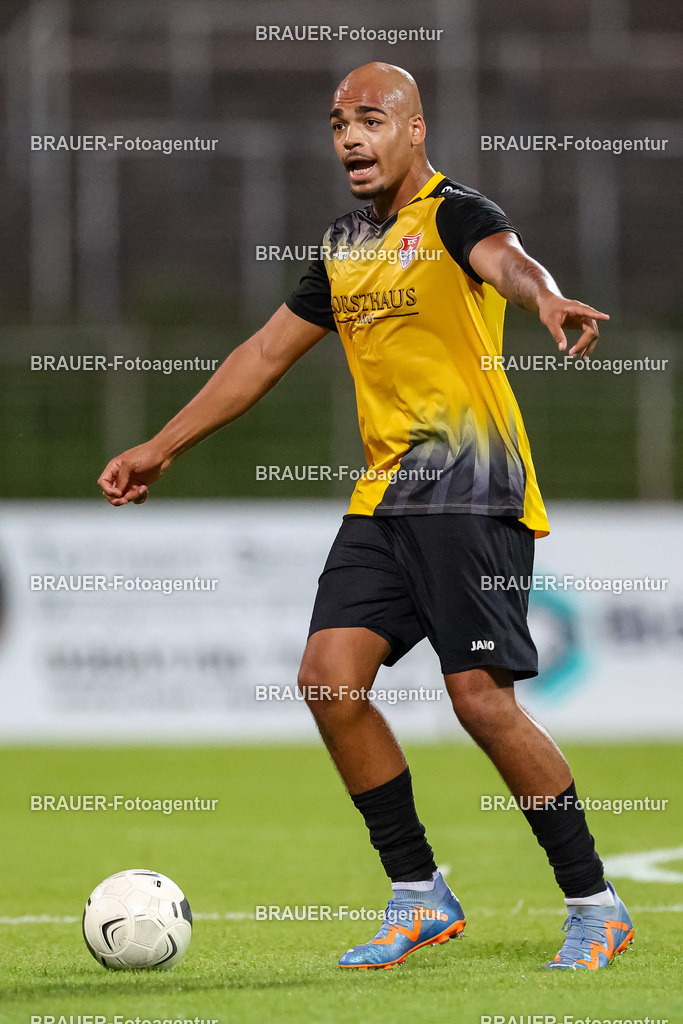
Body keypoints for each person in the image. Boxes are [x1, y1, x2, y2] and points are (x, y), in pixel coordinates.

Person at [98, 62, 633, 971]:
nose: (350, 136)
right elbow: (264, 352)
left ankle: (593, 901)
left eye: (370, 119)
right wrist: (163, 444)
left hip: (473, 494)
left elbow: (506, 260)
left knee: (479, 703)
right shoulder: (345, 243)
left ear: (414, 130)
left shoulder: (453, 212)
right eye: (338, 122)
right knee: (329, 681)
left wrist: (542, 295)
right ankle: (418, 892)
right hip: (386, 500)